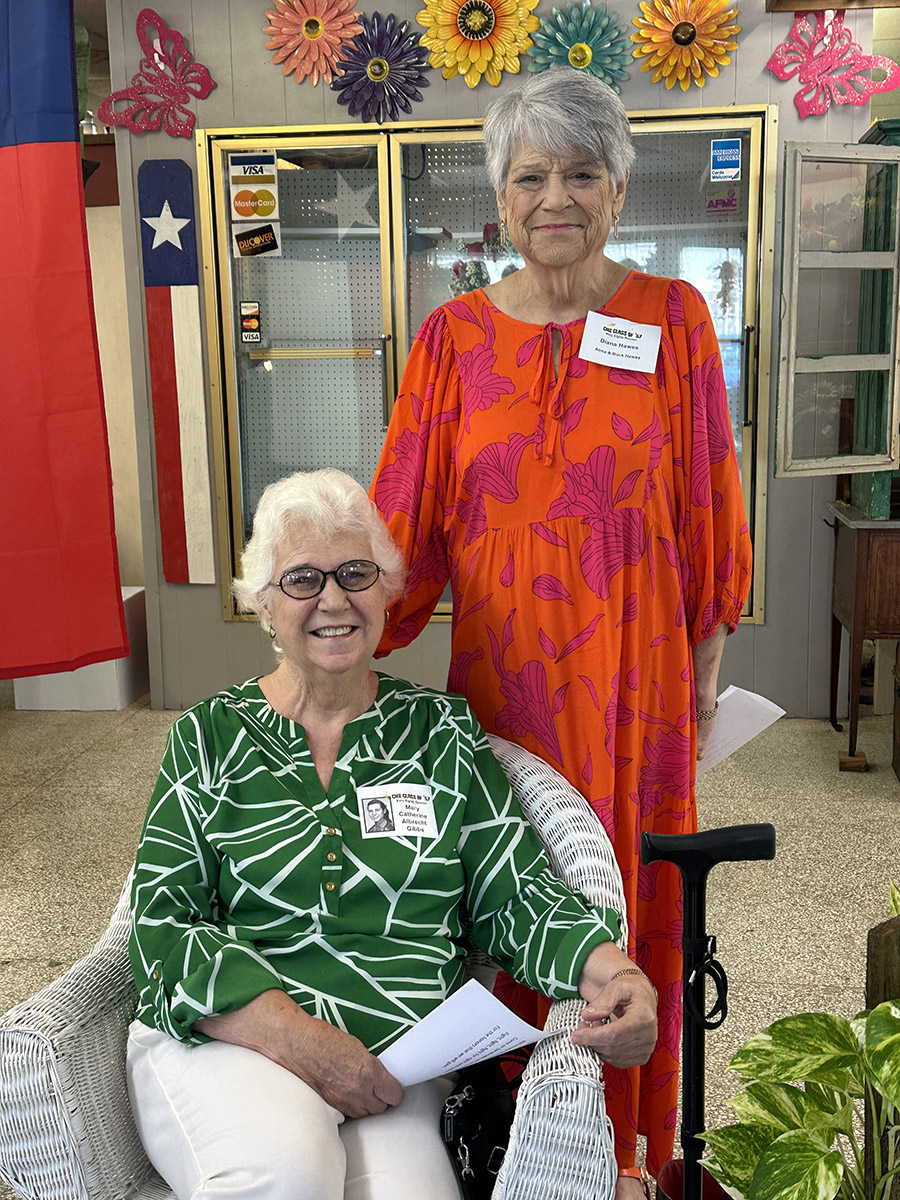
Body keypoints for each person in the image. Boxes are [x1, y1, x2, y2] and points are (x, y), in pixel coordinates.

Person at [369, 68, 752, 1190]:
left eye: (581, 174)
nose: (556, 198)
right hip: (507, 687)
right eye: (530, 176)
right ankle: (512, 1145)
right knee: (506, 888)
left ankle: (622, 1151)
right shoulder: (451, 340)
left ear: (619, 189)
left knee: (631, 902)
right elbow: (402, 519)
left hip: (636, 687)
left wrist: (706, 661)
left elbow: (708, 502)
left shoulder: (674, 320)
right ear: (501, 197)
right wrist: (324, 623)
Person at [126, 468, 657, 1200]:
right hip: (236, 1039)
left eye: (356, 572)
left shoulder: (440, 734)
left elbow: (519, 895)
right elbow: (161, 925)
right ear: (265, 607)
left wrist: (620, 978)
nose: (333, 598)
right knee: (284, 1177)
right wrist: (306, 1044)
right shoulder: (208, 737)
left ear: (385, 594)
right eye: (302, 578)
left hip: (400, 1067)